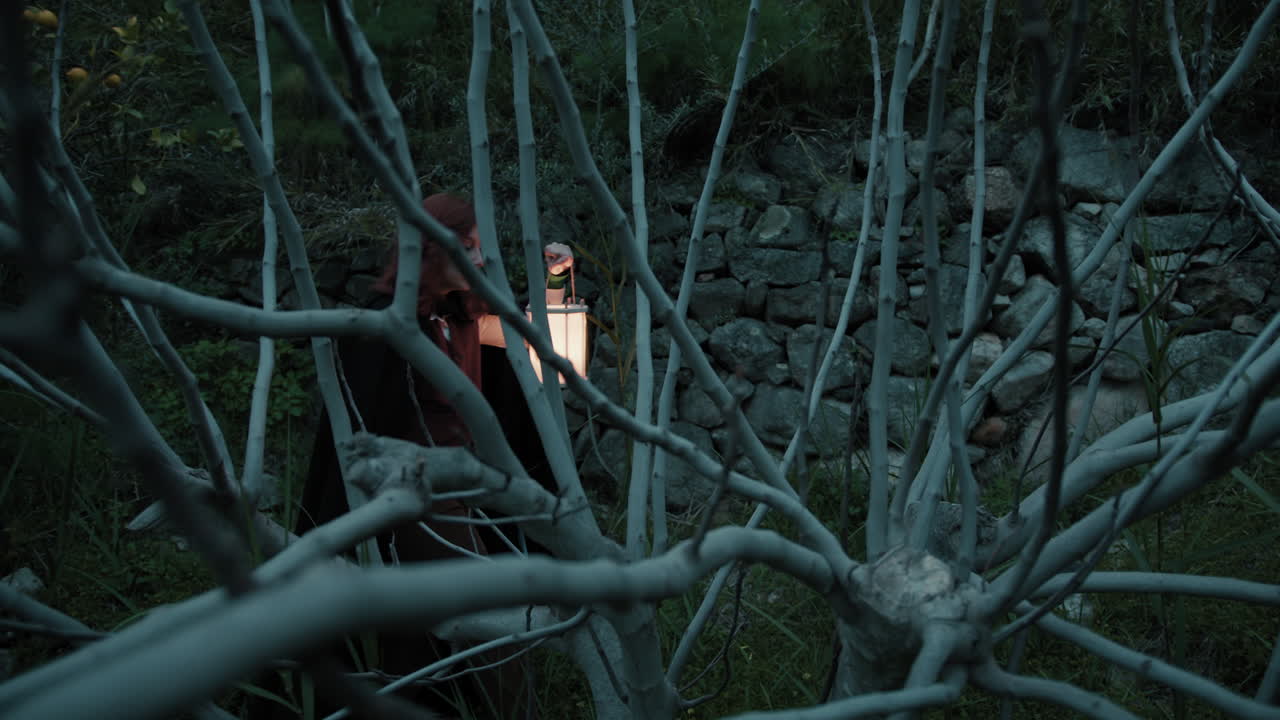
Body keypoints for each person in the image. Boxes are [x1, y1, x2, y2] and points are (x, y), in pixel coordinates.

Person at [284, 193, 570, 719]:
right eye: (469, 246)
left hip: (469, 498)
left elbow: (541, 339)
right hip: (413, 504)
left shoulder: (464, 319)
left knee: (438, 635)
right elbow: (360, 430)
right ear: (432, 249)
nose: (480, 258)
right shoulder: (384, 327)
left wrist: (555, 281)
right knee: (490, 620)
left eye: (481, 247)